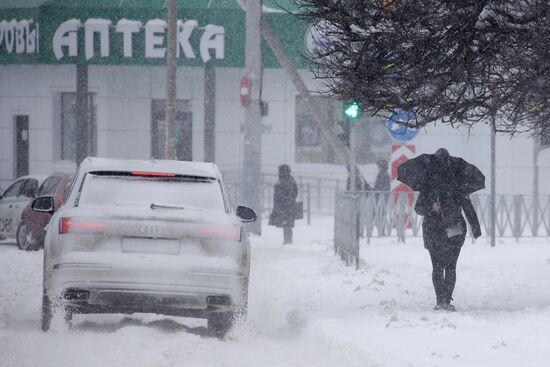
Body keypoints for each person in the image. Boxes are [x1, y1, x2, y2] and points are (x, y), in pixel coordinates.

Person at [414, 148, 481, 312]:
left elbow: (419, 208)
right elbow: (468, 207)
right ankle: (444, 300)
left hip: (435, 230)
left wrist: (429, 208)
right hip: (452, 229)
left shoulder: (428, 185)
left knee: (439, 266)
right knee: (449, 266)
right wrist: (475, 227)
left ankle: (441, 300)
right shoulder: (458, 184)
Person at [269, 164, 298, 244]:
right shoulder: (291, 180)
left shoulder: (283, 182)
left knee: (286, 224)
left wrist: (283, 200)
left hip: (284, 206)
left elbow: (280, 195)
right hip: (289, 206)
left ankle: (287, 240)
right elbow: (295, 193)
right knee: (288, 224)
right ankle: (288, 240)